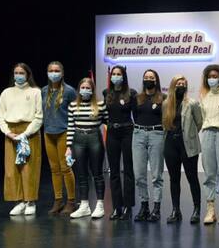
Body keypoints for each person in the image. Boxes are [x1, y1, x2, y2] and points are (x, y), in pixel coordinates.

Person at [0, 63, 43, 216]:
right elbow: (0, 116)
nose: (18, 75)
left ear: (28, 75)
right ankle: (19, 201)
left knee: (29, 168)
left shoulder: (35, 92)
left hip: (29, 132)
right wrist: (8, 132)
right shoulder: (6, 93)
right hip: (11, 133)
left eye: (21, 73)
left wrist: (26, 133)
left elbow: (39, 116)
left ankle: (30, 201)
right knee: (12, 169)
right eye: (16, 73)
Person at [162, 75, 203, 224]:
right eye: (178, 84)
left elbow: (199, 122)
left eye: (183, 84)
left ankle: (196, 210)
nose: (181, 86)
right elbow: (164, 122)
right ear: (173, 86)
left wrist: (189, 135)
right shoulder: (166, 103)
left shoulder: (192, 103)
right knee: (174, 179)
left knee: (192, 178)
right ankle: (176, 211)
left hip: (188, 145)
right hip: (170, 144)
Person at [66, 78, 108, 219]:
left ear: (92, 90)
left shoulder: (100, 105)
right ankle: (84, 206)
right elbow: (70, 126)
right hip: (78, 140)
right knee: (81, 174)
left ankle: (100, 205)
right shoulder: (72, 105)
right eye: (82, 88)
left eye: (88, 88)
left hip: (94, 138)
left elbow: (107, 121)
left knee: (97, 173)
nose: (85, 90)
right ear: (79, 90)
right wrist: (68, 147)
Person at [42, 61, 77, 215]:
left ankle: (71, 201)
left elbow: (75, 111)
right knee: (54, 169)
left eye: (56, 71)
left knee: (65, 168)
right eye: (51, 70)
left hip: (64, 133)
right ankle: (58, 200)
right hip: (48, 133)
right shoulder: (44, 91)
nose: (53, 73)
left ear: (62, 73)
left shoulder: (69, 91)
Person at [199, 64, 219, 225]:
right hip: (207, 133)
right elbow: (202, 117)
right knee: (209, 172)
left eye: (215, 76)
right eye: (209, 77)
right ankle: (210, 209)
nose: (212, 79)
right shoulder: (204, 95)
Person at [132, 69, 165, 222]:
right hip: (138, 134)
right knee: (139, 174)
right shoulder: (137, 98)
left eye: (151, 77)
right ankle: (144, 206)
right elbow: (135, 116)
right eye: (146, 77)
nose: (148, 79)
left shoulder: (163, 98)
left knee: (156, 175)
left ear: (156, 80)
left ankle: (156, 208)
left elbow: (165, 117)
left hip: (156, 134)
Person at [104, 65, 136, 220]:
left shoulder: (131, 93)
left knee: (128, 170)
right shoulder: (106, 93)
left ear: (124, 77)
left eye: (119, 74)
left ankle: (128, 207)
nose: (116, 76)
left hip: (127, 132)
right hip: (112, 133)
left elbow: (136, 114)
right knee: (114, 171)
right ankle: (117, 207)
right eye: (114, 74)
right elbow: (104, 113)